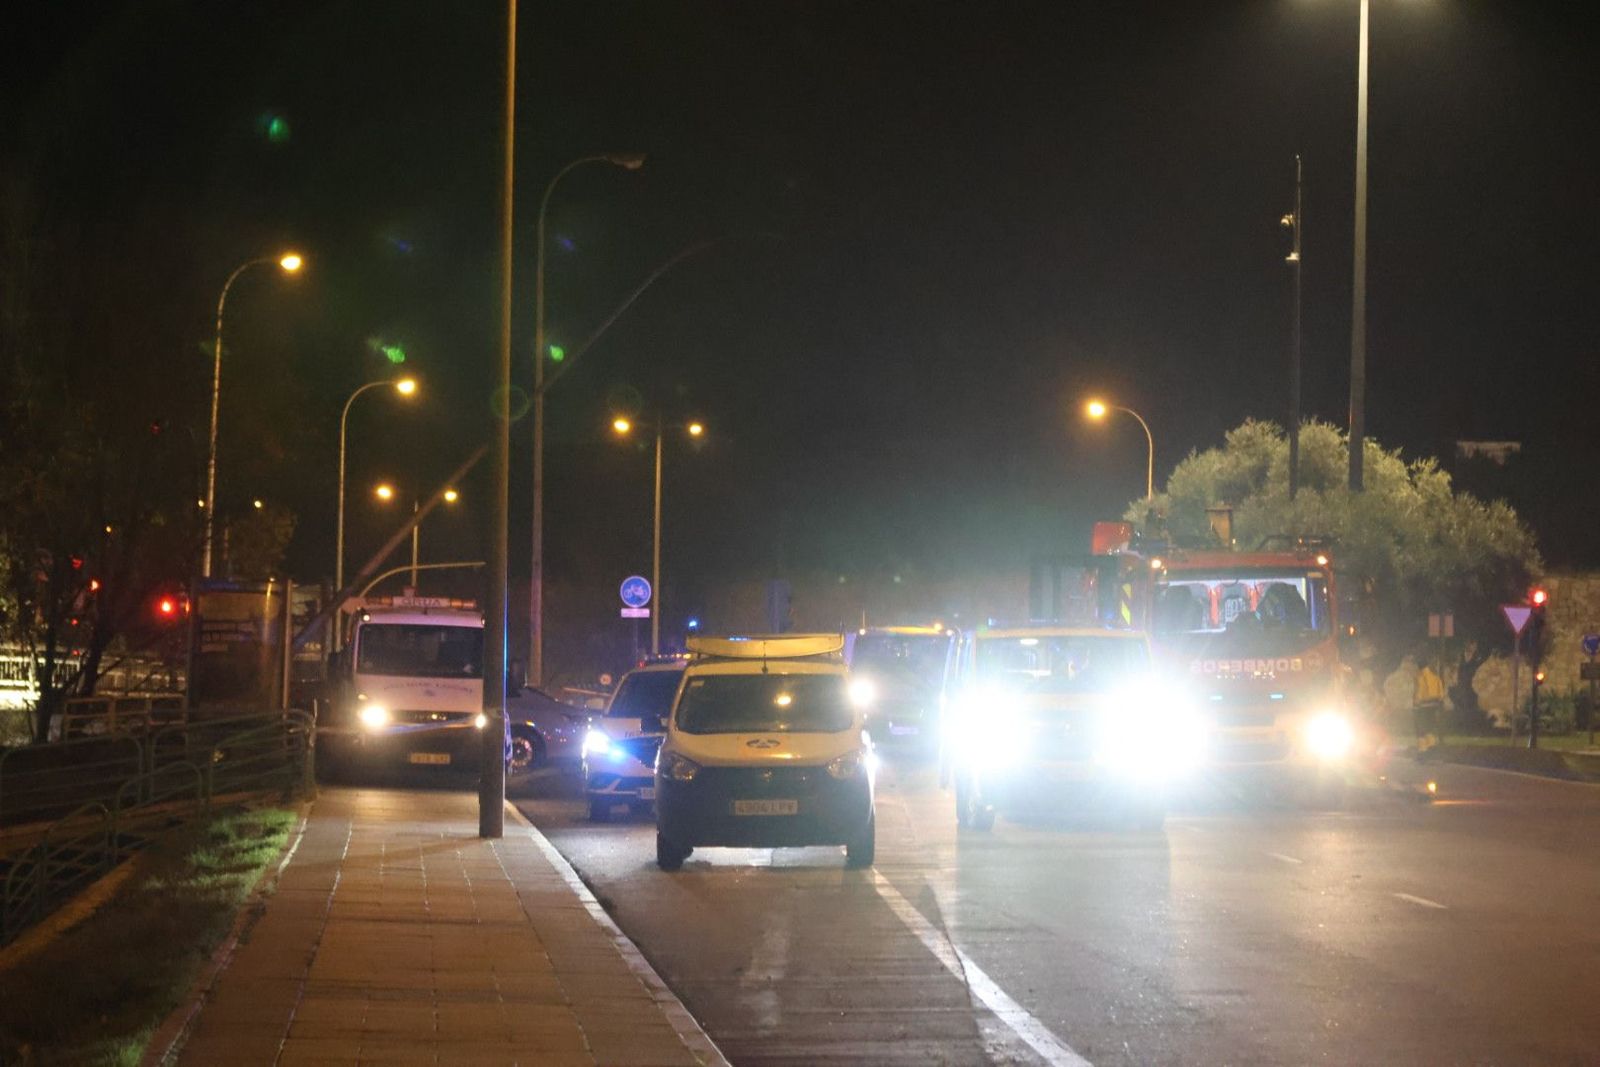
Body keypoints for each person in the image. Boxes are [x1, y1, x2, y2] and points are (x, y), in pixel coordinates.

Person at [1413, 661, 1446, 758]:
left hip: (1422, 706)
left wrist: (1416, 703)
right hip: (1433, 706)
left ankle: (1422, 751)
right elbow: (1441, 694)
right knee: (1430, 728)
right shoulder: (1436, 677)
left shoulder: (1420, 676)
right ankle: (1432, 747)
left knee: (1421, 729)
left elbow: (1419, 691)